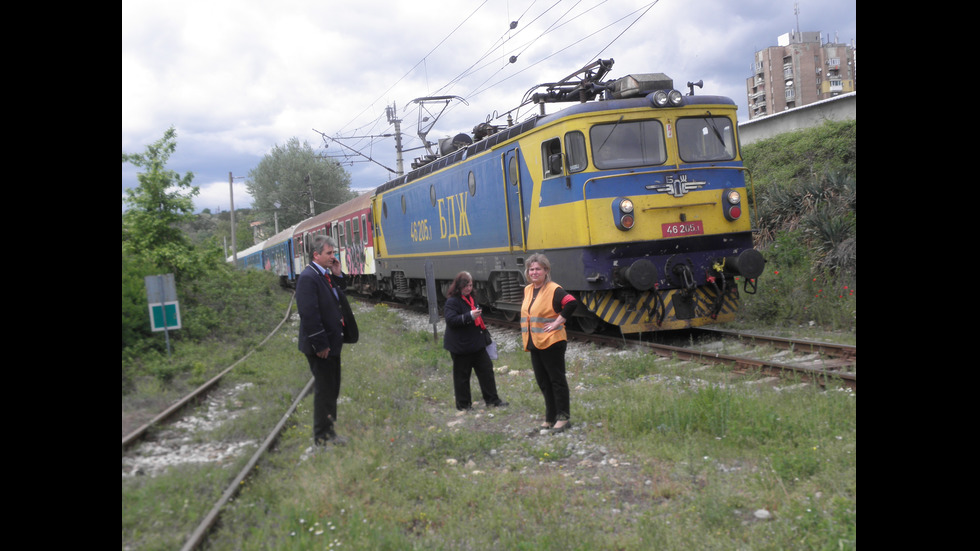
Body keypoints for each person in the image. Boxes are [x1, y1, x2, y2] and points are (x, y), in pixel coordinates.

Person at [296, 235, 350, 446]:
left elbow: (337, 298)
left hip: (331, 344)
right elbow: (309, 314)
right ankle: (322, 438)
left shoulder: (324, 275)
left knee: (332, 388)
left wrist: (337, 276)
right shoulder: (308, 278)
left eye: (333, 252)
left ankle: (330, 433)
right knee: (325, 390)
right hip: (322, 347)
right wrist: (320, 345)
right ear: (315, 254)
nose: (333, 257)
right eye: (329, 253)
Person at [520, 253, 578, 433]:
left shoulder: (554, 289)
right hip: (535, 342)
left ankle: (563, 418)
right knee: (543, 381)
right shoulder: (528, 289)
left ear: (546, 270)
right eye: (531, 269)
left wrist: (557, 322)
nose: (534, 272)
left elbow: (571, 303)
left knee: (557, 380)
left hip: (552, 342)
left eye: (538, 269)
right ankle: (550, 417)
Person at [443, 271, 508, 411]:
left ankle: (493, 400)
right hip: (460, 347)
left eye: (470, 285)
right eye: (465, 286)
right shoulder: (452, 301)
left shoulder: (472, 298)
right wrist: (469, 316)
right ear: (458, 286)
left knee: (487, 372)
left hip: (477, 345)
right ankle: (464, 406)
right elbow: (450, 320)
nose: (468, 288)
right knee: (462, 377)